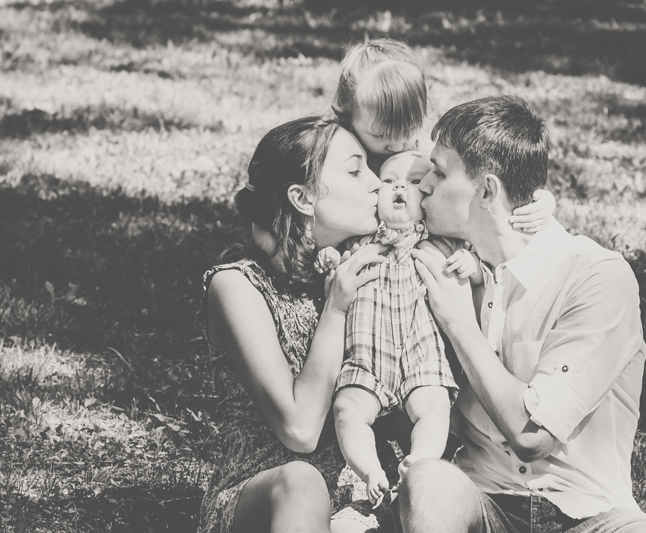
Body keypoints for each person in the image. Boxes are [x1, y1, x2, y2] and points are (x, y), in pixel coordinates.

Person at [399, 95, 646, 533]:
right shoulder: (443, 265)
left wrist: (459, 324)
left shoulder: (596, 276)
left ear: (487, 191)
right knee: (428, 483)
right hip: (482, 504)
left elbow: (534, 435)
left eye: (439, 172)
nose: (422, 185)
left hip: (586, 515)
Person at [195, 115, 398, 533]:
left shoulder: (364, 269)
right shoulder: (237, 286)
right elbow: (300, 429)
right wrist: (336, 310)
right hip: (269, 494)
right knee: (303, 482)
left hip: (366, 493)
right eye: (356, 171)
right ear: (302, 198)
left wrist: (532, 214)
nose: (376, 183)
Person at [315, 151, 481, 504]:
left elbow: (478, 260)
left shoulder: (441, 241)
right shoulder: (359, 241)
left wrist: (471, 263)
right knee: (348, 409)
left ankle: (418, 461)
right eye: (388, 181)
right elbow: (336, 280)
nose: (400, 187)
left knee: (435, 406)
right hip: (366, 355)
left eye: (414, 181)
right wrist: (330, 262)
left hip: (422, 352)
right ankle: (370, 470)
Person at [330, 38, 554, 235]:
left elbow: (481, 180)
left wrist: (540, 200)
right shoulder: (341, 158)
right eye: (380, 135)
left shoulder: (422, 152)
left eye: (409, 130)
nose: (398, 145)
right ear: (346, 117)